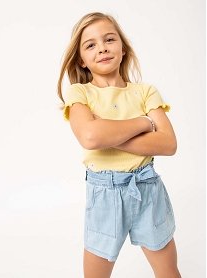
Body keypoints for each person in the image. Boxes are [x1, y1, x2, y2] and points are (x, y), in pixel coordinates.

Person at [57, 12, 181, 278]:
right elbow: (90, 137)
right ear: (81, 59)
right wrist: (143, 122)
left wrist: (108, 135)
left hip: (148, 190)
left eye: (109, 39)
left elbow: (168, 143)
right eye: (90, 44)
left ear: (122, 48)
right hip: (104, 194)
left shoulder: (145, 91)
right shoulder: (79, 93)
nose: (102, 47)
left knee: (169, 272)